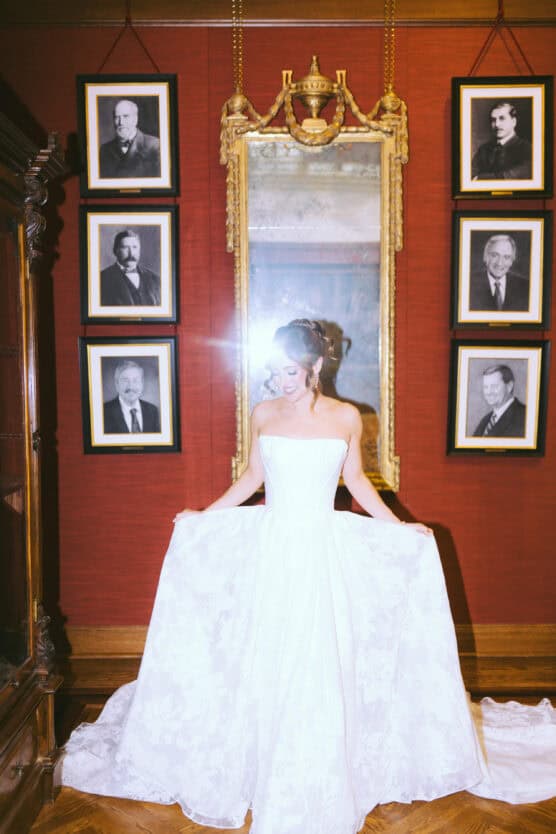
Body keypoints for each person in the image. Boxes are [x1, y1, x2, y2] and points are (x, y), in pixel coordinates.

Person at [62, 320, 556, 833]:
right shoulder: (263, 414)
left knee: (319, 656)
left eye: (292, 372)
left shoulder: (346, 418)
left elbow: (358, 482)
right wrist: (203, 517)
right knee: (265, 652)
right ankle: (260, 758)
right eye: (276, 372)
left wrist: (400, 525)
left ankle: (319, 763)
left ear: (318, 367)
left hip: (322, 552)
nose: (282, 382)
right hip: (272, 550)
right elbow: (252, 478)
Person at [99, 99, 161, 179]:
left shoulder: (155, 146)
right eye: (117, 117)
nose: (121, 122)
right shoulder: (105, 150)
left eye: (126, 116)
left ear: (135, 119)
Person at [472, 101, 532, 180]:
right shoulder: (483, 150)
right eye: (493, 120)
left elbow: (511, 177)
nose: (496, 124)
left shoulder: (527, 148)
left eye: (502, 118)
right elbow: (469, 176)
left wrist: (480, 178)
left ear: (514, 122)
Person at [469, 234, 530, 312]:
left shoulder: (525, 287)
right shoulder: (469, 283)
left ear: (512, 261)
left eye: (506, 257)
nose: (499, 263)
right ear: (485, 257)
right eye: (494, 255)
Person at [100, 229, 161, 307]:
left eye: (135, 247)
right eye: (125, 247)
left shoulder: (155, 279)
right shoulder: (102, 279)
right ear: (115, 251)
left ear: (139, 250)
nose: (131, 253)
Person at [103, 360, 160, 434]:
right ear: (117, 384)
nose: (131, 386)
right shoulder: (104, 412)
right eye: (125, 380)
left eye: (135, 380)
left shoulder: (152, 411)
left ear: (142, 384)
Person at [473, 364, 526, 438]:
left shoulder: (524, 416)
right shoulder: (485, 421)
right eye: (485, 387)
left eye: (494, 386)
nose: (488, 392)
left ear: (509, 386)